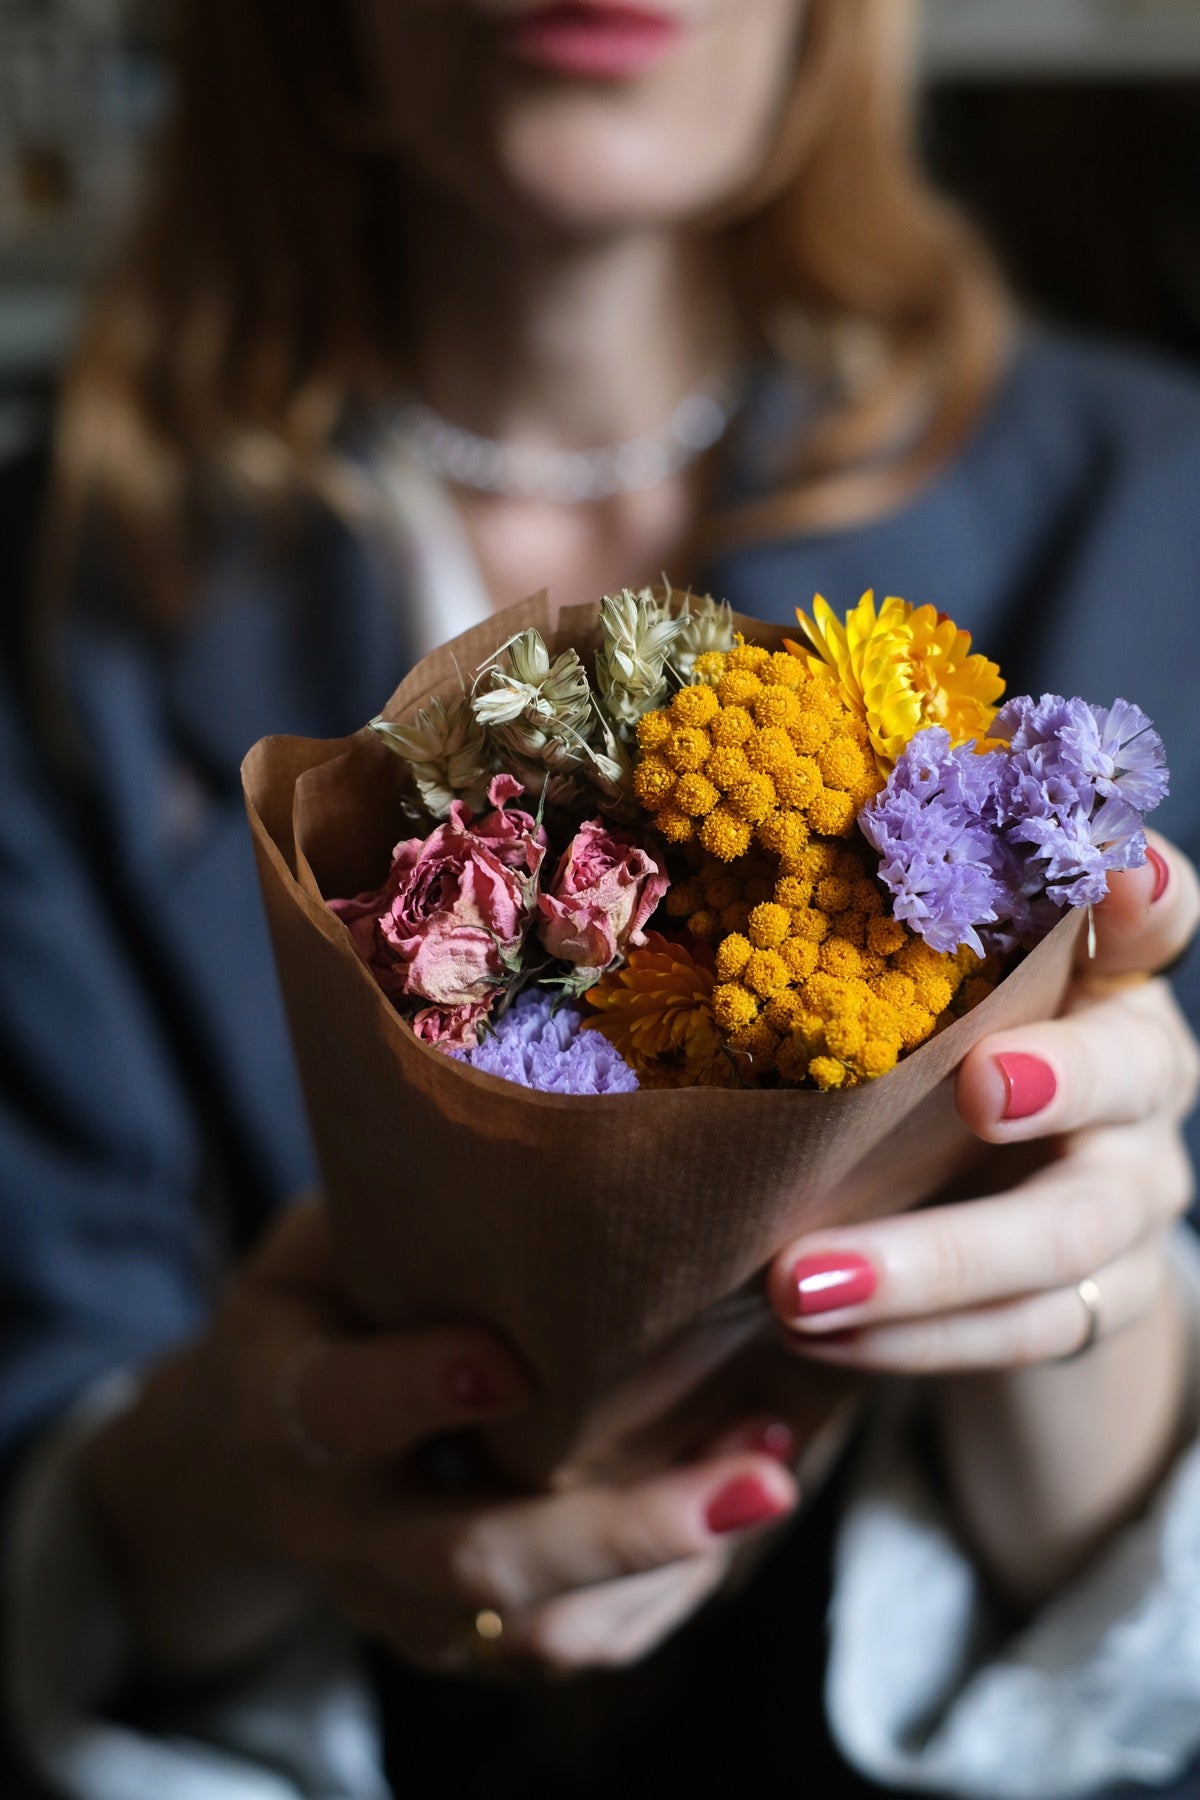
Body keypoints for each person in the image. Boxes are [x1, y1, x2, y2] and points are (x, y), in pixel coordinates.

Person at [2, 1, 1200, 1795]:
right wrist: (224, 1491)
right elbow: (47, 1418)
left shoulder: (1157, 508)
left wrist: (1098, 1309)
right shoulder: (51, 615)